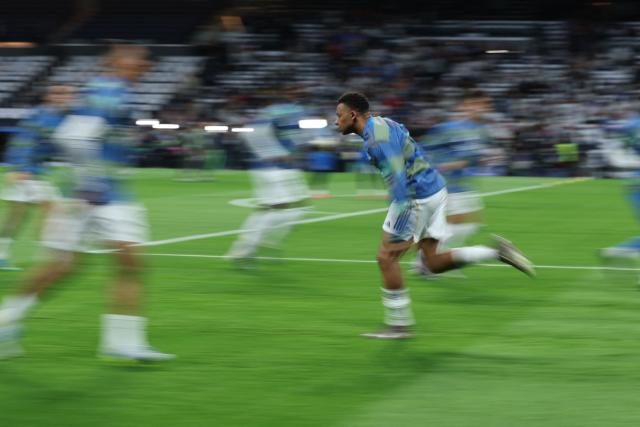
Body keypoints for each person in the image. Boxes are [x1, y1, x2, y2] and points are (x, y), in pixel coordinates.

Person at [0, 44, 173, 361]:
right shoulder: (109, 90)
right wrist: (88, 185)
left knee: (73, 266)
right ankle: (120, 343)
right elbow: (74, 138)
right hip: (100, 195)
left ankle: (121, 343)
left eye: (141, 62)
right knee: (100, 264)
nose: (138, 66)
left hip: (92, 192)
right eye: (131, 61)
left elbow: (62, 131)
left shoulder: (106, 90)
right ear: (115, 62)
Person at [334, 92, 535, 339]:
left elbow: (398, 179)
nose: (336, 121)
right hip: (435, 189)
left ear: (353, 115)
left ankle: (399, 325)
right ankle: (496, 252)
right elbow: (407, 141)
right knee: (433, 263)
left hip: (413, 197)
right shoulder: (383, 123)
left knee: (386, 258)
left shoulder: (376, 140)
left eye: (339, 115)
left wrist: (404, 218)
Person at [414, 92, 492, 278]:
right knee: (458, 223)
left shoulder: (480, 131)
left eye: (484, 105)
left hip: (464, 183)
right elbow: (425, 148)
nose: (480, 109)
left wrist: (474, 161)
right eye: (475, 104)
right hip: (448, 184)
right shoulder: (448, 128)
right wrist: (442, 166)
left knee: (472, 224)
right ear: (464, 107)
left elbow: (472, 157)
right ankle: (431, 261)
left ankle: (430, 259)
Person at [226, 98, 310, 268]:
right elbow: (252, 134)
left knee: (300, 208)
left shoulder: (294, 110)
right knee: (274, 209)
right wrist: (274, 154)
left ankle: (267, 243)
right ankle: (243, 252)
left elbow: (295, 139)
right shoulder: (278, 111)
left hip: (286, 169)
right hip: (271, 169)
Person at [0, 85, 74, 270]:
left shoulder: (64, 116)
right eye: (57, 93)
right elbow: (24, 141)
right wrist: (20, 168)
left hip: (35, 171)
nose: (62, 97)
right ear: (48, 96)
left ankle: (1, 255)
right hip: (27, 172)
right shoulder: (40, 115)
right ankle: (49, 253)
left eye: (66, 94)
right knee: (54, 208)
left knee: (17, 215)